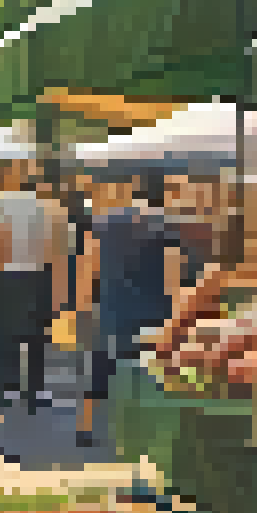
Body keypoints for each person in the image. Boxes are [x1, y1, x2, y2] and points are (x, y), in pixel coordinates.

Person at [77, 170, 203, 446]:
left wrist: (85, 304)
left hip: (111, 307)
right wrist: (174, 312)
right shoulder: (169, 226)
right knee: (148, 373)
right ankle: (143, 431)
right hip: (152, 309)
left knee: (100, 367)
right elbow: (173, 274)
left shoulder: (106, 221)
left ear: (134, 191)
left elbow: (89, 262)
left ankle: (86, 426)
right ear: (165, 193)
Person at [0, 168, 70, 411]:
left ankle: (5, 389)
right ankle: (33, 391)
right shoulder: (51, 209)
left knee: (4, 334)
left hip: (7, 276)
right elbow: (56, 253)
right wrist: (58, 294)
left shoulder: (5, 204)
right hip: (38, 276)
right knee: (36, 337)